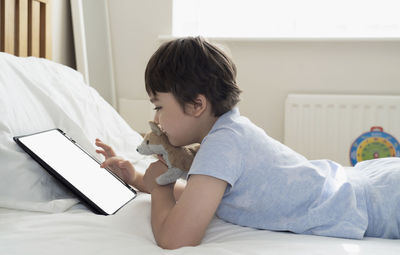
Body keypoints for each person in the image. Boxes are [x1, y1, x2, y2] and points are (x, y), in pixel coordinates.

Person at [95, 36, 400, 249]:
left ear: (196, 105)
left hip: (378, 201)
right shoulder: (228, 133)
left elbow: (176, 239)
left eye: (159, 105)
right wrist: (136, 178)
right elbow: (201, 198)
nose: (156, 119)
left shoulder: (222, 145)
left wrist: (159, 188)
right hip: (367, 183)